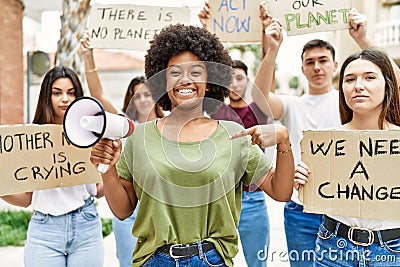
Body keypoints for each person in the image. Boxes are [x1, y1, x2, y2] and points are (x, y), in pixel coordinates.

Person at [90, 23, 294, 267]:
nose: (185, 79)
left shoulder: (233, 135)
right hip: (154, 260)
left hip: (212, 260)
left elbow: (281, 192)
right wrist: (108, 168)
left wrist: (284, 141)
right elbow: (123, 210)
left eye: (196, 72)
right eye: (175, 72)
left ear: (210, 81)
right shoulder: (138, 137)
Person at [252, 7, 383, 266]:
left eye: (323, 60)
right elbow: (258, 99)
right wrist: (272, 50)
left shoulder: (355, 101)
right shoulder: (292, 105)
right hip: (301, 210)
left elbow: (391, 82)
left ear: (335, 65)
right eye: (310, 62)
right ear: (302, 68)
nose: (317, 67)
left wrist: (362, 40)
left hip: (345, 208)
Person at [296, 48, 400, 266]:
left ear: (388, 83)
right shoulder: (325, 143)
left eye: (370, 77)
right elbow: (315, 196)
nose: (358, 86)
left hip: (392, 250)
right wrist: (304, 182)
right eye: (349, 79)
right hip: (333, 247)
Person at [1, 66, 105, 267]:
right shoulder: (32, 139)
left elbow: (98, 190)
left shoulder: (91, 134)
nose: (65, 99)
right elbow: (26, 199)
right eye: (57, 93)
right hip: (44, 231)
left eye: (71, 92)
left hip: (86, 225)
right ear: (46, 97)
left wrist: (113, 170)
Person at [80, 33, 164, 267]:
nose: (144, 99)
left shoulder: (172, 127)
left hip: (161, 209)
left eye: (148, 93)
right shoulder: (123, 125)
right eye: (138, 95)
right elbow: (98, 96)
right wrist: (89, 57)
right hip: (129, 209)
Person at [199, 5, 272, 265]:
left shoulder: (260, 109)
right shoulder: (216, 109)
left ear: (249, 81)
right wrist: (205, 28)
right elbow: (206, 66)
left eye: (240, 77)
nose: (235, 82)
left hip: (252, 196)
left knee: (257, 261)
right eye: (230, 77)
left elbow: (268, 62)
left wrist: (266, 33)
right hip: (221, 197)